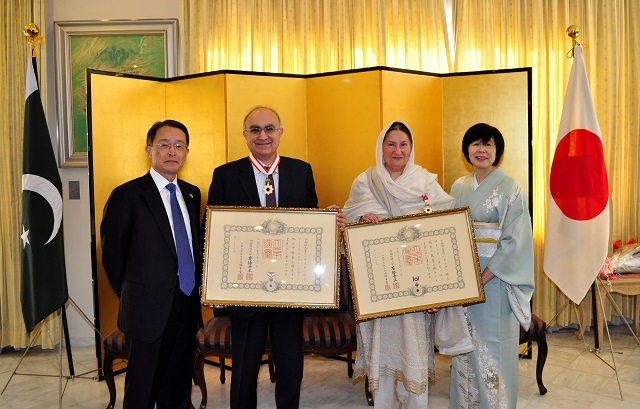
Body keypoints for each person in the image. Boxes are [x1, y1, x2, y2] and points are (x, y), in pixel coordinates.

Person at [205, 106, 345, 409]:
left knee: (290, 362)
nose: (263, 136)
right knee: (244, 365)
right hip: (244, 291)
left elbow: (308, 224)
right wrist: (214, 285)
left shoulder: (300, 170)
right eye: (255, 130)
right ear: (244, 135)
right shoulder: (226, 175)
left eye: (269, 128)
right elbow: (213, 232)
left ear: (280, 132)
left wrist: (325, 219)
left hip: (290, 288)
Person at [343, 121, 471, 408]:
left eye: (403, 144)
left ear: (411, 148)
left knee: (413, 352)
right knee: (384, 353)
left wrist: (439, 290)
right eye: (391, 144)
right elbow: (348, 224)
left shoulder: (425, 181)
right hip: (381, 286)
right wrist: (362, 220)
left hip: (417, 284)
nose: (397, 150)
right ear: (381, 148)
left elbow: (445, 230)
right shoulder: (366, 181)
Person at [101, 120, 203, 409]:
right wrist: (132, 294)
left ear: (186, 153)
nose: (172, 151)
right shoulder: (127, 195)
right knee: (142, 393)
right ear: (149, 149)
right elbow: (112, 255)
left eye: (179, 145)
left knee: (178, 389)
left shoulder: (192, 193)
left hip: (186, 306)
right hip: (146, 311)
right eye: (163, 144)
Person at [448, 123, 535, 409]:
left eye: (488, 144)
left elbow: (515, 241)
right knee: (465, 349)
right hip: (464, 279)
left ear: (497, 151)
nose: (481, 150)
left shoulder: (512, 188)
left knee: (494, 349)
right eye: (475, 144)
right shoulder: (458, 187)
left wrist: (483, 277)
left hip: (496, 281)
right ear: (466, 151)